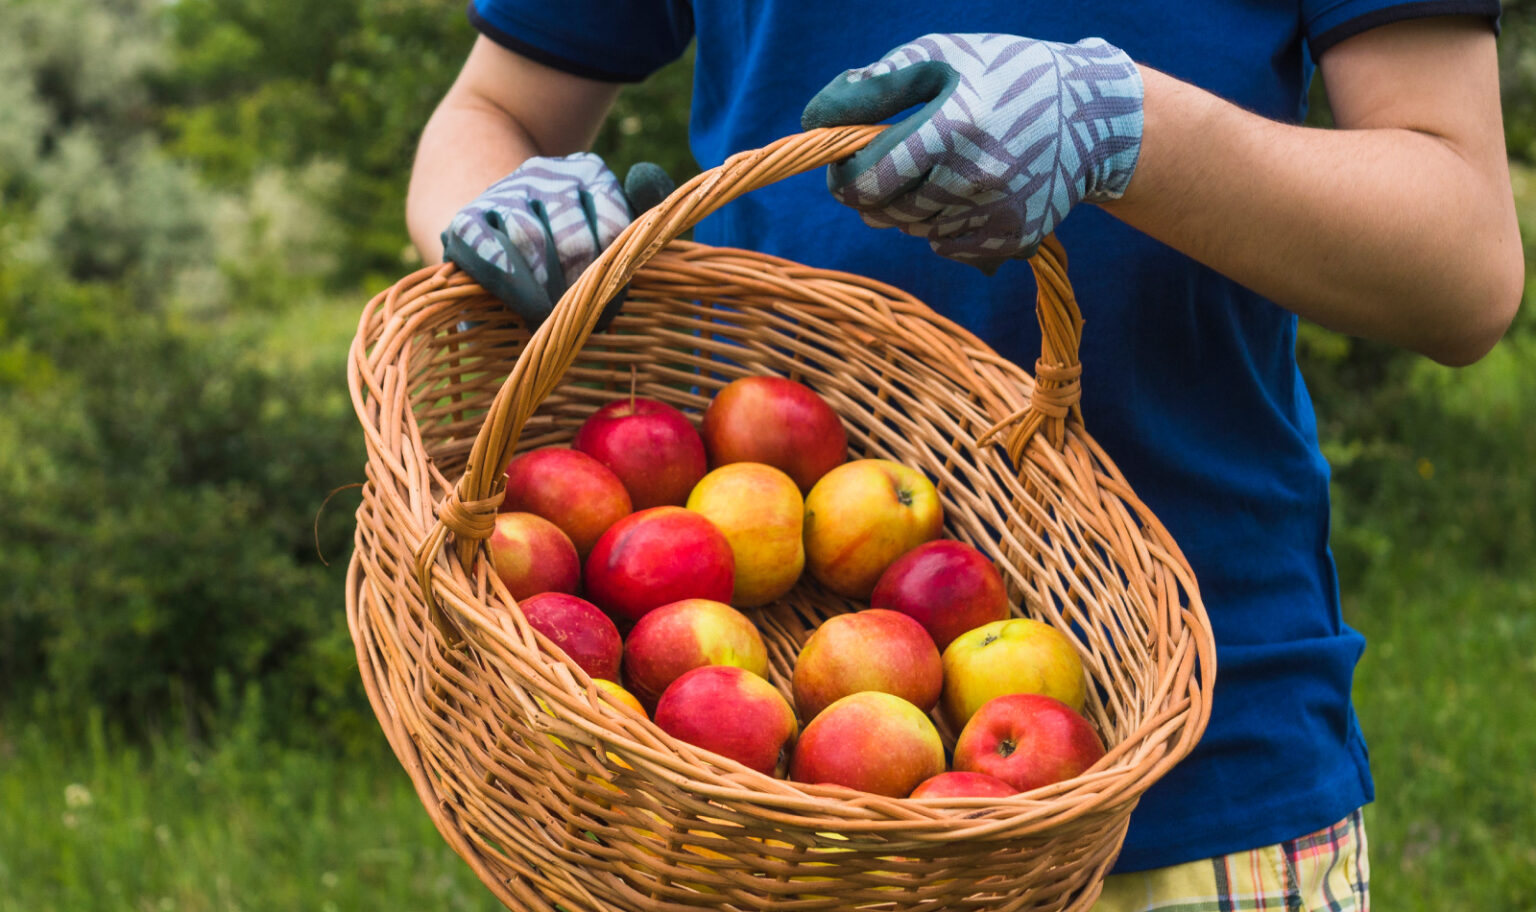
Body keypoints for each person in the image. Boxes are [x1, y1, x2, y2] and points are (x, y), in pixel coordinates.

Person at [406, 3, 1520, 909]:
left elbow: (1464, 265)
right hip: (760, 812)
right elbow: (495, 108)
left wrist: (1122, 125)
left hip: (1197, 764)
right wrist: (497, 210)